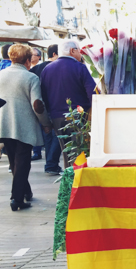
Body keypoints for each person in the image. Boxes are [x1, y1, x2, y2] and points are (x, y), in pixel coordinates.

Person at [0, 44, 53, 211]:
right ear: (28, 60)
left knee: (14, 160)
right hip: (24, 126)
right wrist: (46, 123)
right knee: (23, 162)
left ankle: (25, 192)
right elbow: (37, 105)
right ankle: (16, 199)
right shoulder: (31, 78)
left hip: (4, 123)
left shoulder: (1, 75)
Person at [40, 40, 96, 170]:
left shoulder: (47, 69)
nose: (81, 54)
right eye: (79, 50)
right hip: (80, 116)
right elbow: (92, 94)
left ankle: (69, 177)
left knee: (66, 153)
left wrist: (49, 117)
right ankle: (79, 180)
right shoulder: (80, 67)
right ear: (72, 51)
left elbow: (44, 96)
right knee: (82, 151)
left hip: (56, 117)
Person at [30, 45, 59, 164]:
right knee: (56, 135)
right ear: (54, 54)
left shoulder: (35, 69)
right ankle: (51, 163)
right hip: (54, 105)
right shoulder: (56, 68)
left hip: (39, 107)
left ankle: (49, 162)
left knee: (47, 135)